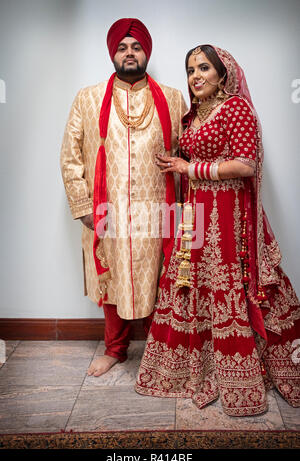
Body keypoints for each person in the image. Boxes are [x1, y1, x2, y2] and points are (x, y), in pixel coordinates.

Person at [135, 44, 300, 416]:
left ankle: (245, 372)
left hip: (229, 215)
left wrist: (190, 169)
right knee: (191, 283)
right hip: (195, 214)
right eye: (191, 69)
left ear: (223, 74)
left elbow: (244, 164)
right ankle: (194, 371)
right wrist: (174, 162)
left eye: (204, 68)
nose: (196, 76)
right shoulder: (194, 116)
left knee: (231, 285)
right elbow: (193, 158)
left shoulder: (235, 108)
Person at [60, 18, 187, 376]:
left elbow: (188, 153)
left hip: (157, 211)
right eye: (122, 47)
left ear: (147, 52)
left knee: (158, 278)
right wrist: (84, 207)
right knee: (113, 278)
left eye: (136, 47)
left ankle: (159, 350)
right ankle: (115, 350)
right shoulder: (88, 98)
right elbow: (69, 155)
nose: (129, 53)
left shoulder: (173, 99)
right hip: (106, 209)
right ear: (112, 54)